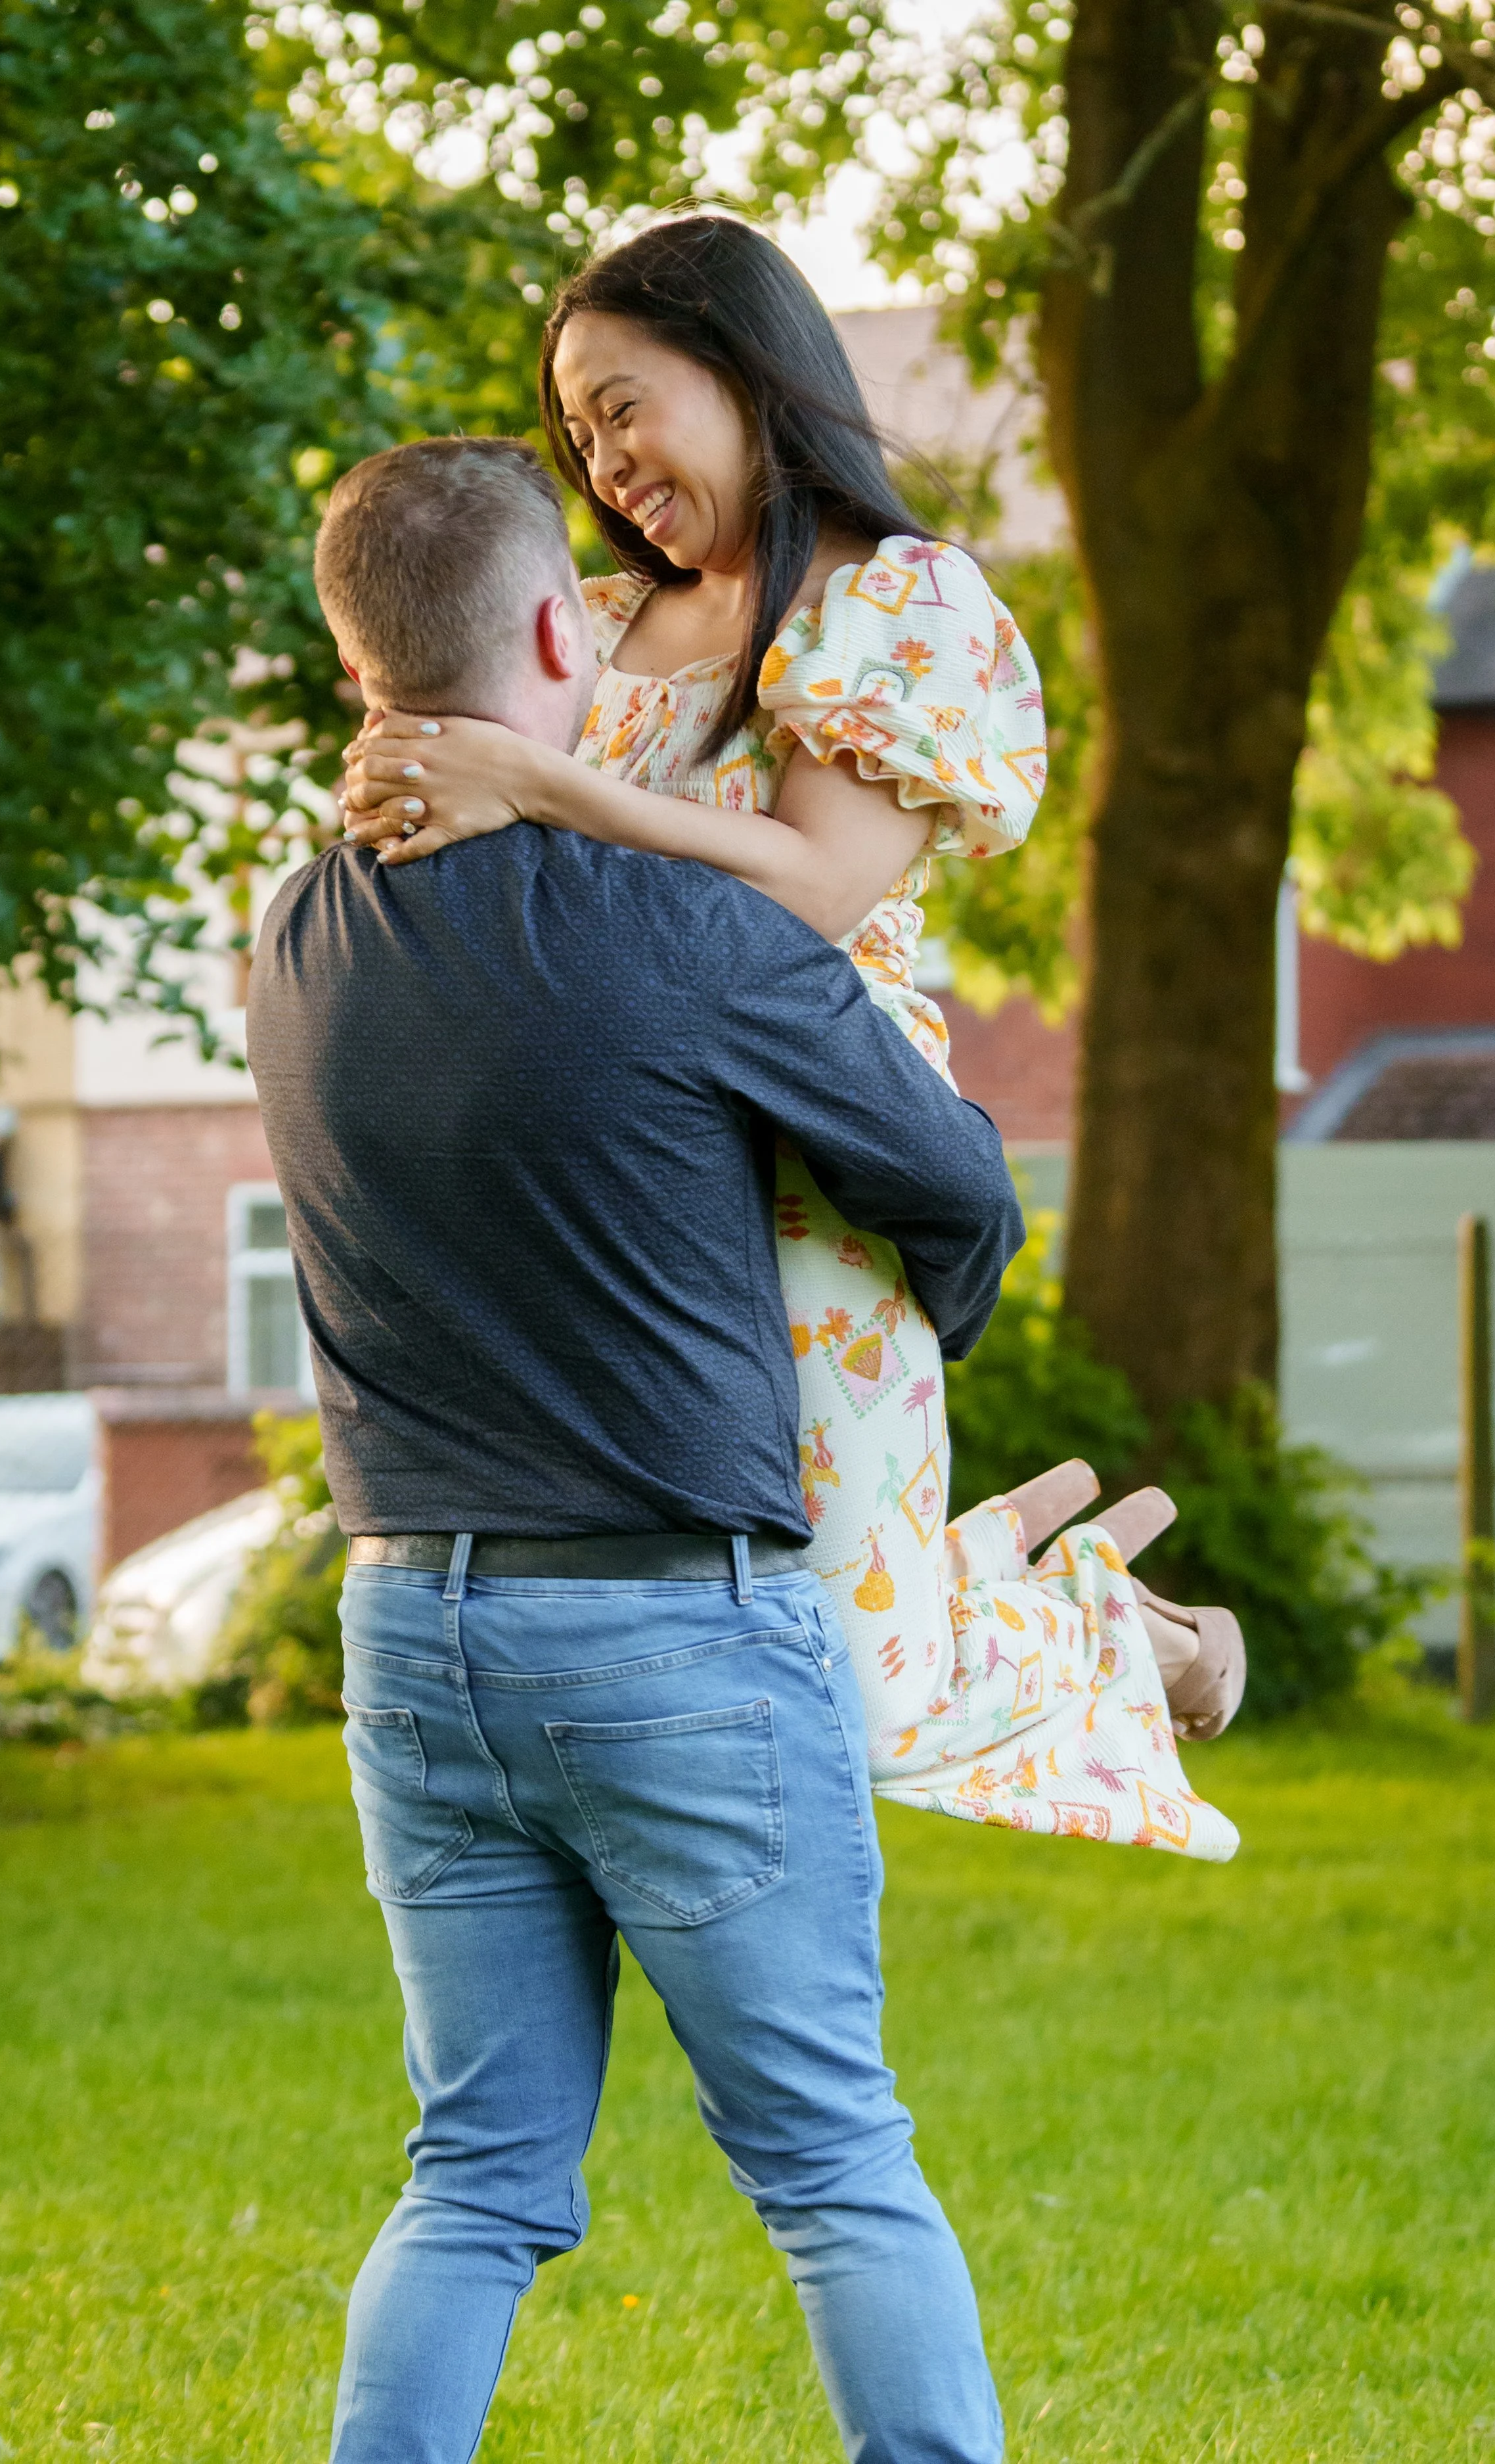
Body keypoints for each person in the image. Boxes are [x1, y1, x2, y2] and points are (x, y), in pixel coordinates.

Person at [249, 431, 1024, 2463]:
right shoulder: (678, 928)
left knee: (478, 2171)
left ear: (359, 665)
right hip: (678, 1624)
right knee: (835, 2162)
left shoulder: (293, 942)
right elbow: (958, 1186)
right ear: (549, 625)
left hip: (413, 1630)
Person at [340, 214, 1243, 1858]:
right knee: (725, 1621)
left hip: (810, 1163)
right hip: (618, 1172)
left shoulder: (896, 608)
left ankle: (1139, 1641)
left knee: (862, 1681)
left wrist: (538, 783)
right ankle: (980, 1569)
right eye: (578, 430)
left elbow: (812, 894)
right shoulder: (597, 626)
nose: (603, 462)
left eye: (624, 405)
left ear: (747, 369)